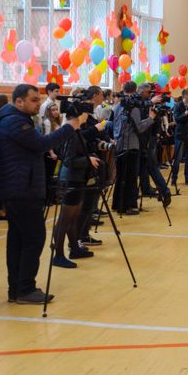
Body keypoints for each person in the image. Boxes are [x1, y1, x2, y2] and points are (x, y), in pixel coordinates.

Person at [0, 84, 85, 304]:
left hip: (20, 187)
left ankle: (17, 289)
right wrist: (69, 127)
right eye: (34, 100)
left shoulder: (16, 119)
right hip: (21, 188)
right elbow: (41, 144)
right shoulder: (14, 121)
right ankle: (25, 289)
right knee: (33, 238)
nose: (38, 103)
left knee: (18, 240)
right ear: (19, 101)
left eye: (38, 99)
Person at [52, 87, 108, 268]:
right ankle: (58, 254)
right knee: (65, 219)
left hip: (77, 178)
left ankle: (74, 248)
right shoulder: (70, 132)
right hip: (70, 180)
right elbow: (68, 160)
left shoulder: (75, 131)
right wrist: (87, 159)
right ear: (80, 115)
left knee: (74, 218)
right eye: (85, 112)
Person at [112, 82, 158, 214]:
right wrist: (150, 118)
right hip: (131, 145)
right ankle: (129, 206)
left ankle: (117, 203)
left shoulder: (118, 106)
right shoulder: (134, 107)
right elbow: (139, 127)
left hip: (119, 144)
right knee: (131, 177)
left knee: (120, 176)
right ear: (135, 91)